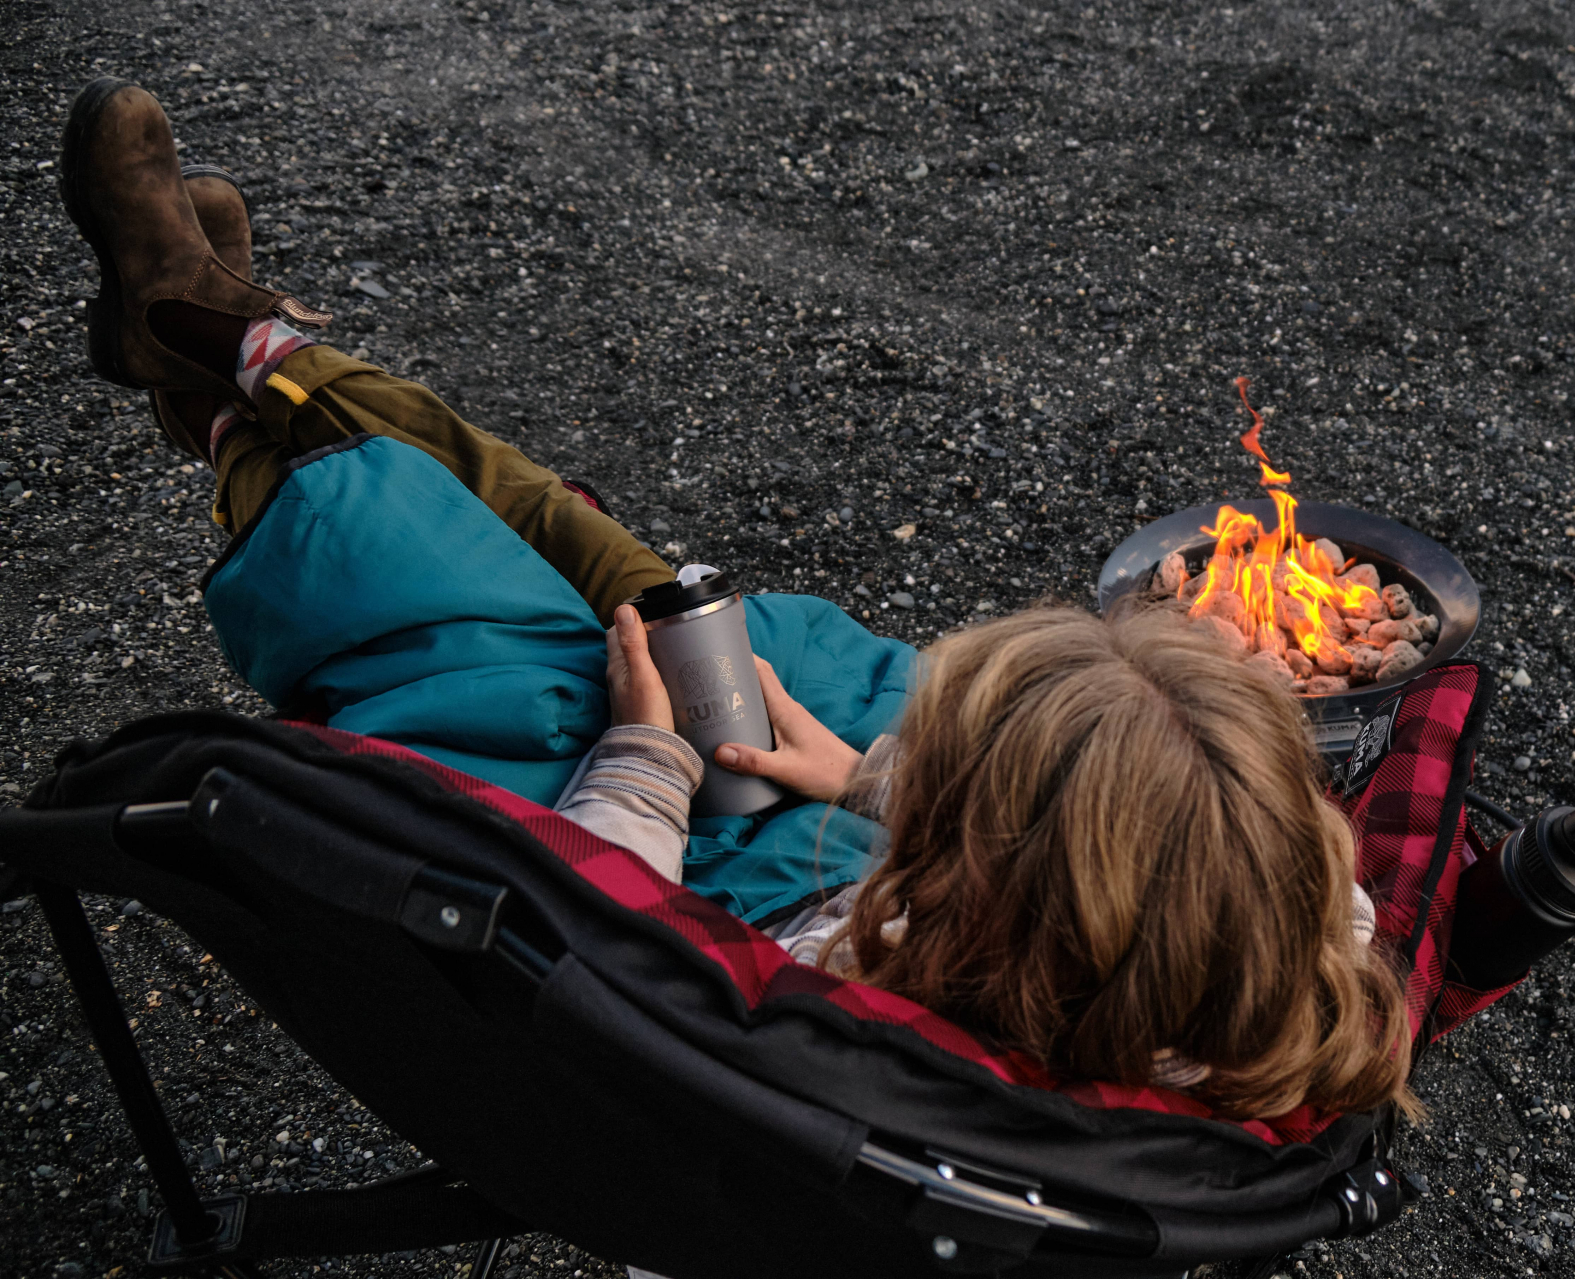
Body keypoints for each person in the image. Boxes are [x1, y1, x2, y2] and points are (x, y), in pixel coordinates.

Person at [61, 79, 1413, 1123]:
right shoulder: (1288, 959)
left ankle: (231, 365)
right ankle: (235, 343)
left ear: (998, 893)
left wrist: (643, 759)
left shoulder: (861, 1043)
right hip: (836, 810)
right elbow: (1157, 864)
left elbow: (592, 961)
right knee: (620, 571)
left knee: (424, 571)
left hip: (692, 878)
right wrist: (882, 777)